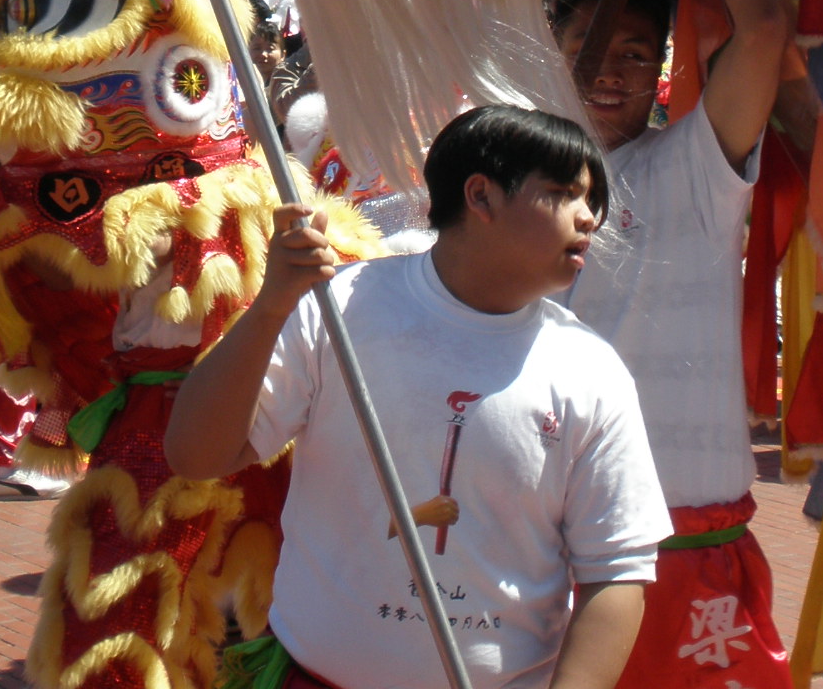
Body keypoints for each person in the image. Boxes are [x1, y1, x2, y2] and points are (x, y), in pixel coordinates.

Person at [166, 104, 667, 689]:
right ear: (480, 197)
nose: (589, 220)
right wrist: (271, 306)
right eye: (563, 193)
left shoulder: (590, 370)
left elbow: (617, 572)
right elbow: (195, 455)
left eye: (593, 201)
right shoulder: (341, 307)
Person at [548, 0, 794, 689]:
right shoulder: (498, 183)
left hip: (691, 548)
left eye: (634, 52)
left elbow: (762, 29)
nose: (609, 72)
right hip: (550, 551)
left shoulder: (692, 169)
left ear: (662, 64)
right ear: (547, 48)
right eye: (587, 47)